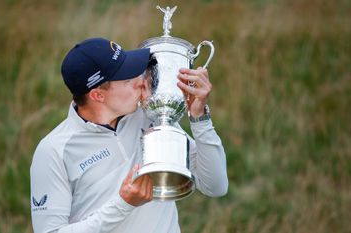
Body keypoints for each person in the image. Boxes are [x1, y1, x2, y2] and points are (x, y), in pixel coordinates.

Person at [30, 37, 228, 233]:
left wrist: (199, 116)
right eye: (127, 79)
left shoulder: (149, 114)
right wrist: (123, 204)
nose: (140, 83)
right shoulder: (54, 151)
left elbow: (215, 186)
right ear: (98, 95)